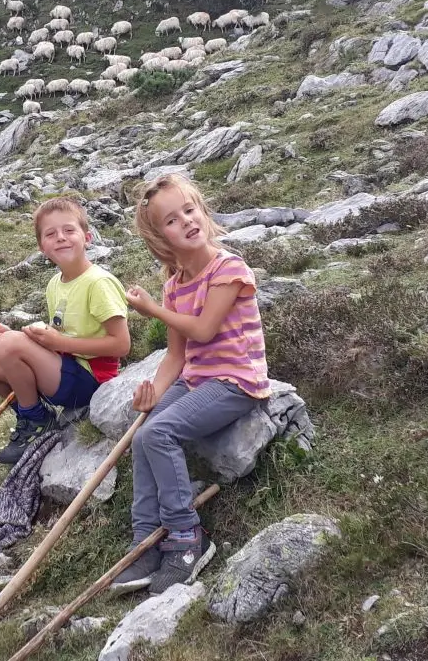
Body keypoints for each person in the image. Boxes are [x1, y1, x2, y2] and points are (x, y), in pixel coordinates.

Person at [112, 173, 269, 595]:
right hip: (197, 380)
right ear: (160, 238)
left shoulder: (230, 269)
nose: (185, 221)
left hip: (236, 381)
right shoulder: (173, 286)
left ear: (202, 210)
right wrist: (155, 392)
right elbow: (176, 357)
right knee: (145, 432)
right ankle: (146, 540)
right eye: (171, 220)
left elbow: (202, 331)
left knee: (160, 433)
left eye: (189, 209)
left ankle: (187, 537)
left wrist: (152, 311)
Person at [0, 196, 131, 464]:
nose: (61, 238)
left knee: (10, 344)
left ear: (87, 237)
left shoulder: (98, 282)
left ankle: (35, 422)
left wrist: (54, 343)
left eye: (69, 230)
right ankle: (34, 415)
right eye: (51, 234)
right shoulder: (56, 283)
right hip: (66, 368)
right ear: (43, 247)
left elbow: (121, 345)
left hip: (93, 381)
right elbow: (61, 335)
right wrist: (21, 338)